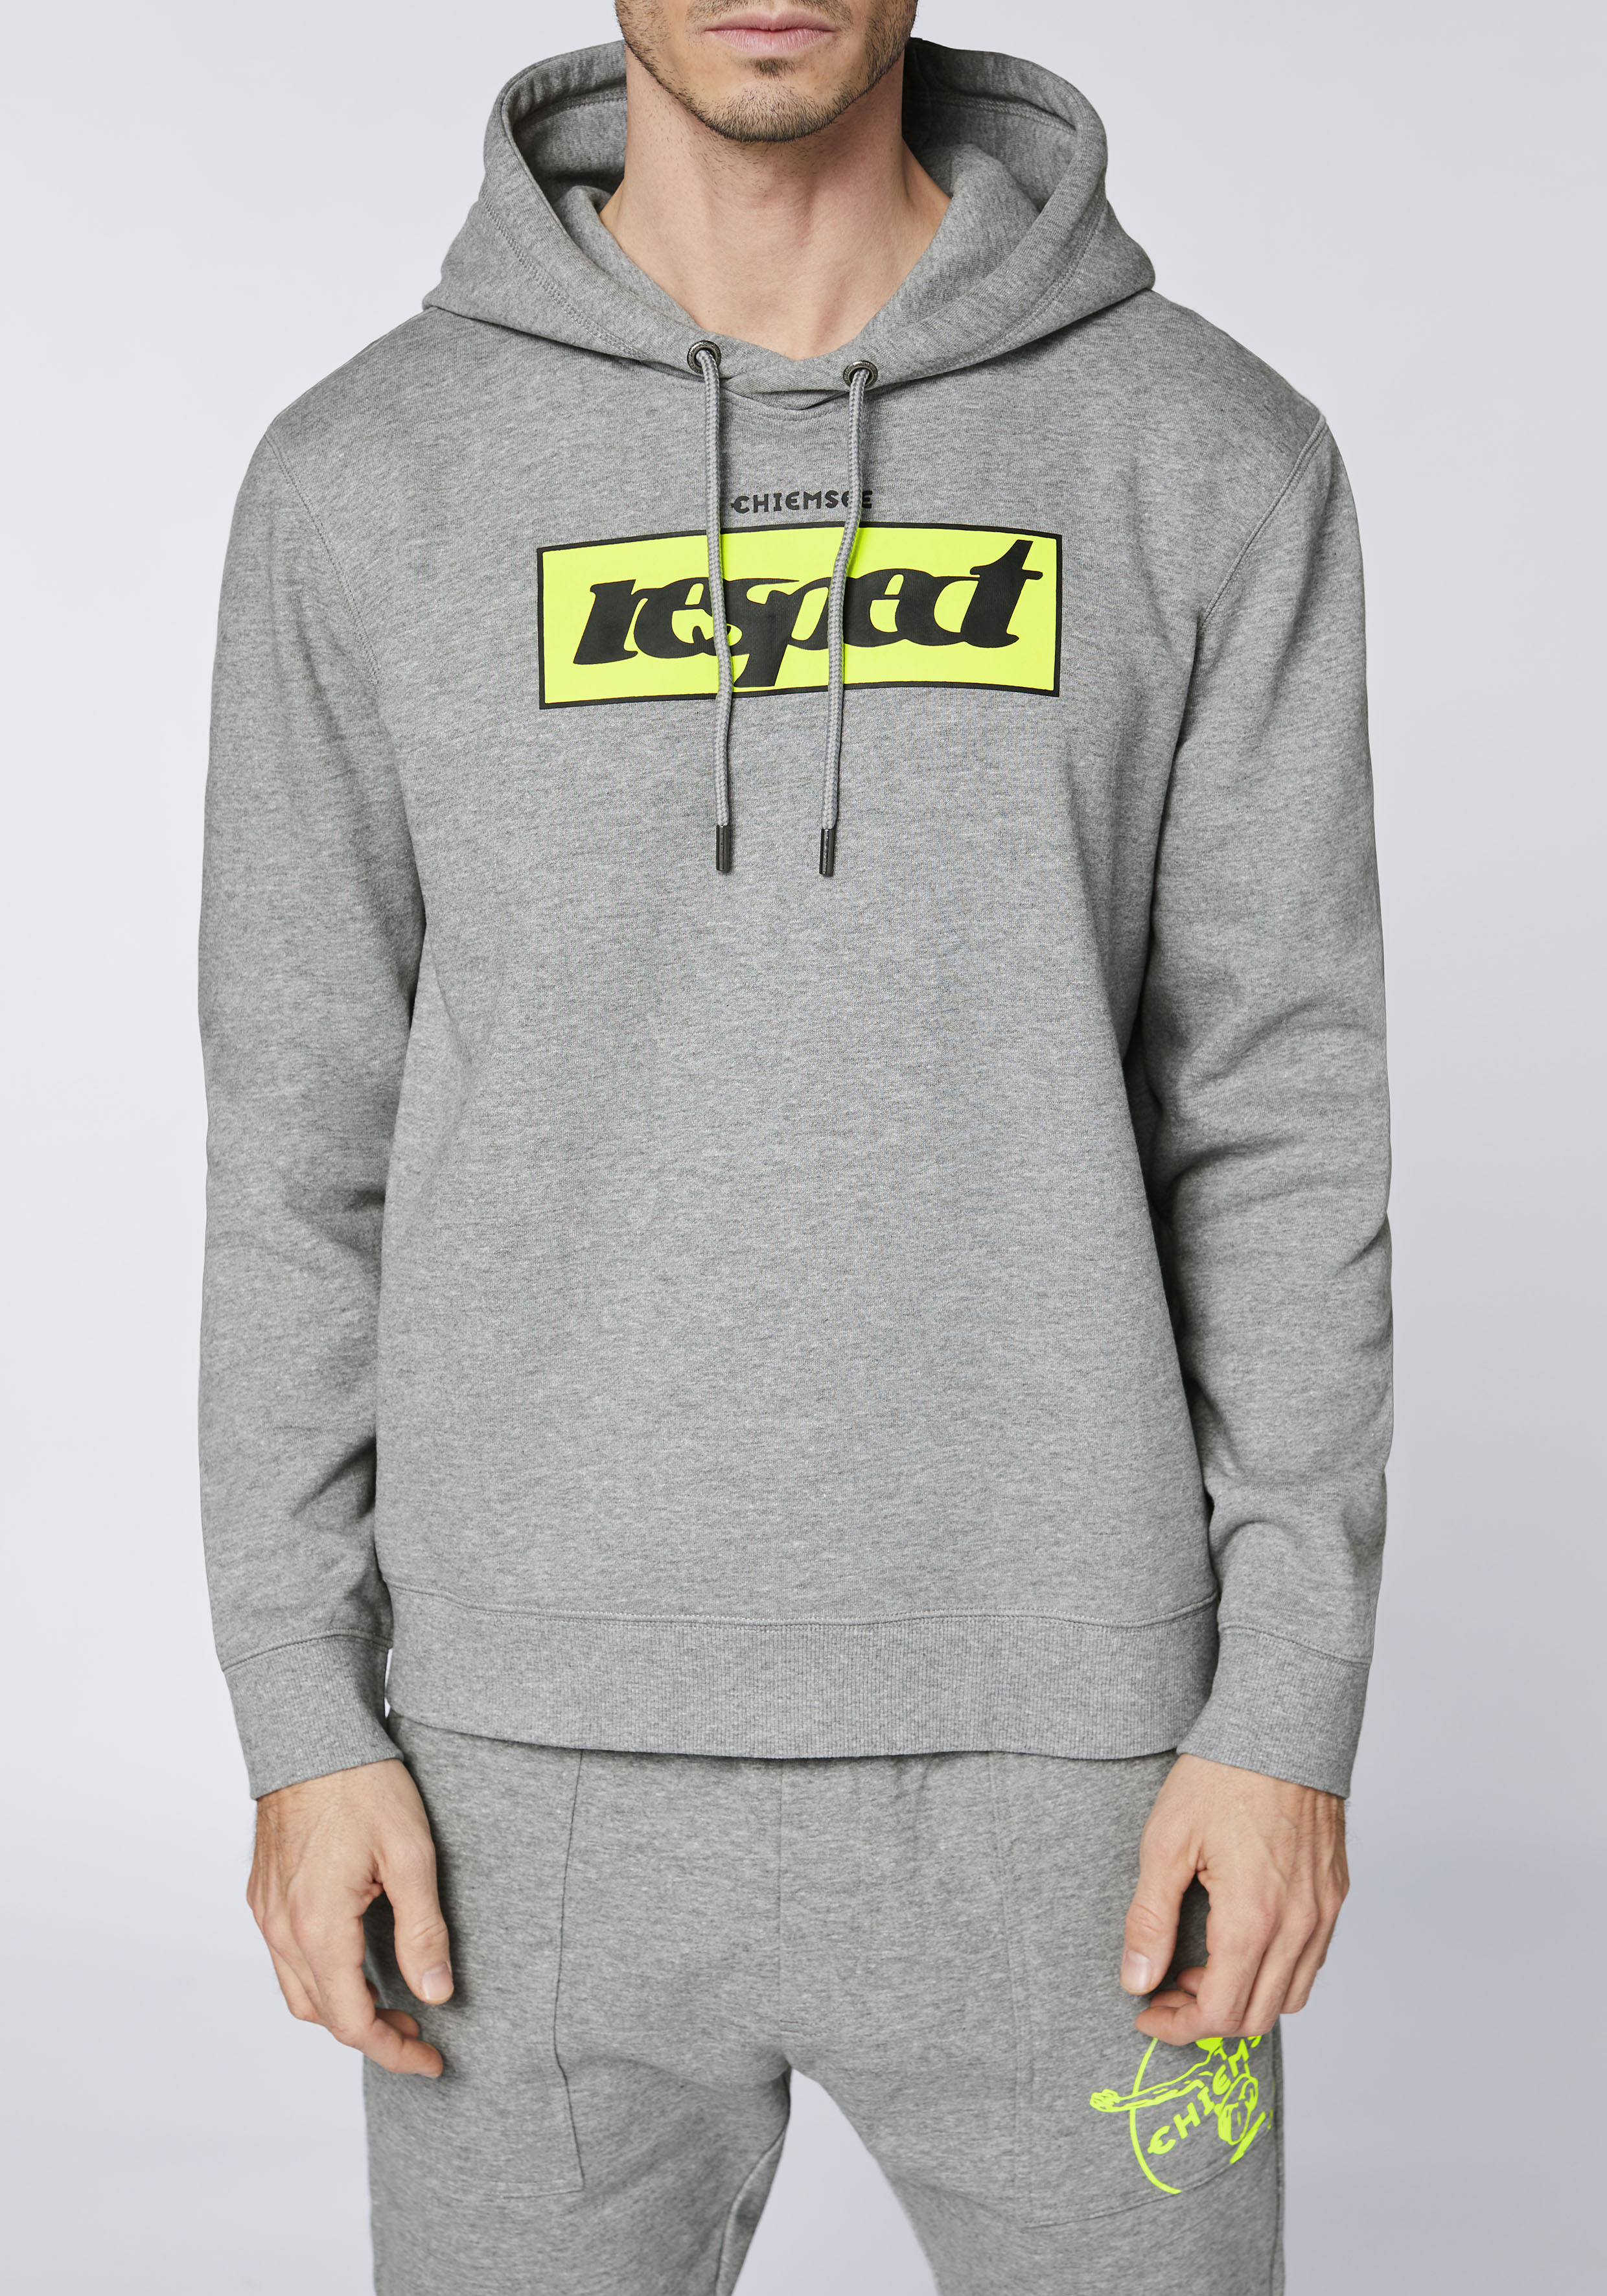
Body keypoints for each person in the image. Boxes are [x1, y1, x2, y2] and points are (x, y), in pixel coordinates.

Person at [199, 5, 1391, 2290]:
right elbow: (293, 1146)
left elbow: (1284, 1117)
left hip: (1091, 1779)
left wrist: (1287, 1711)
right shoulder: (364, 478)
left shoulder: (1209, 455)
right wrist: (297, 1712)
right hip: (510, 1783)